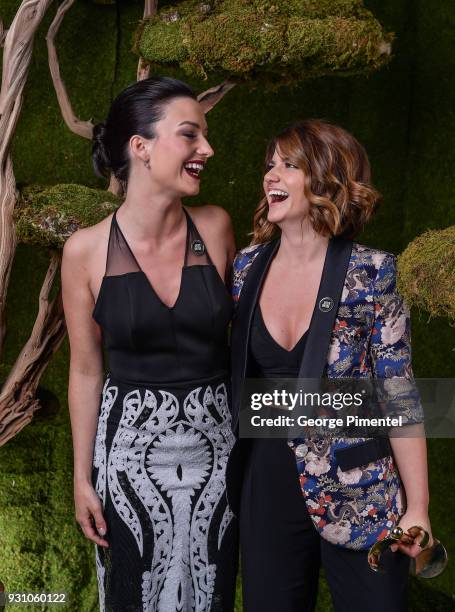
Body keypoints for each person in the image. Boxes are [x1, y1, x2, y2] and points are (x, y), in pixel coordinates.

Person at [227, 119, 432, 612]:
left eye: (289, 165)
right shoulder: (244, 267)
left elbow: (397, 394)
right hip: (267, 480)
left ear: (325, 179)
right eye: (269, 165)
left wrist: (419, 506)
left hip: (359, 486)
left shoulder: (375, 272)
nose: (271, 175)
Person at [61, 76, 238, 612]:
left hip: (218, 457)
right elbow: (86, 372)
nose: (207, 149)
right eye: (190, 135)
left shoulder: (218, 227)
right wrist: (81, 476)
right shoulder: (84, 251)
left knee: (211, 593)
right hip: (127, 458)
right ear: (140, 147)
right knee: (132, 595)